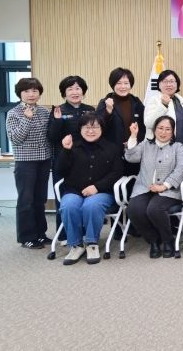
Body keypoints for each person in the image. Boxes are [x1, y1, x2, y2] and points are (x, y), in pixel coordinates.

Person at [57, 112, 123, 265]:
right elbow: (61, 171)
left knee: (91, 205)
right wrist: (66, 151)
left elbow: (117, 173)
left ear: (102, 129)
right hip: (74, 190)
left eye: (95, 127)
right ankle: (76, 245)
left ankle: (92, 243)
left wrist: (97, 187)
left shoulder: (112, 148)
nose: (90, 131)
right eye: (86, 127)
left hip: (102, 191)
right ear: (80, 129)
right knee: (68, 206)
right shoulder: (72, 146)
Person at [125, 116, 183, 259]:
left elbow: (182, 168)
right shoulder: (145, 144)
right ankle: (153, 240)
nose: (163, 132)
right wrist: (133, 136)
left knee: (154, 209)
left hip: (169, 191)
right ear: (154, 130)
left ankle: (168, 240)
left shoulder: (178, 147)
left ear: (173, 132)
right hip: (144, 188)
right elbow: (131, 158)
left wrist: (165, 186)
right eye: (160, 128)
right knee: (134, 209)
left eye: (168, 129)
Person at [6, 78, 52, 249]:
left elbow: (49, 137)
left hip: (44, 160)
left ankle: (40, 234)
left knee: (40, 199)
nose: (31, 94)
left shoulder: (44, 112)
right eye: (26, 91)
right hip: (25, 162)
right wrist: (26, 119)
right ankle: (26, 237)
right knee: (26, 200)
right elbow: (16, 139)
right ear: (20, 94)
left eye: (34, 91)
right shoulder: (14, 113)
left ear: (39, 93)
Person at [47, 75, 95, 241]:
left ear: (83, 91)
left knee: (85, 196)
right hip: (63, 160)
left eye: (78, 88)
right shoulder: (58, 110)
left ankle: (85, 234)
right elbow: (52, 137)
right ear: (64, 93)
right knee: (63, 198)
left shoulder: (90, 110)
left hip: (86, 161)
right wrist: (57, 121)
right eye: (70, 89)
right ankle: (64, 235)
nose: (74, 92)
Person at [96, 67, 146, 175]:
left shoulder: (136, 102)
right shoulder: (105, 102)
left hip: (134, 151)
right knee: (115, 180)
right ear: (113, 84)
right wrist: (108, 111)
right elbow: (98, 126)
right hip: (112, 153)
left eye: (126, 83)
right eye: (119, 83)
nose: (123, 87)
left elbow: (144, 125)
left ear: (130, 85)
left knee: (133, 179)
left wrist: (135, 142)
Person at [144, 69, 183, 145]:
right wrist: (163, 105)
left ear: (177, 84)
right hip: (160, 147)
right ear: (159, 85)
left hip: (181, 146)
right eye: (165, 81)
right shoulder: (153, 100)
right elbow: (149, 123)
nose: (168, 84)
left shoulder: (182, 101)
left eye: (171, 81)